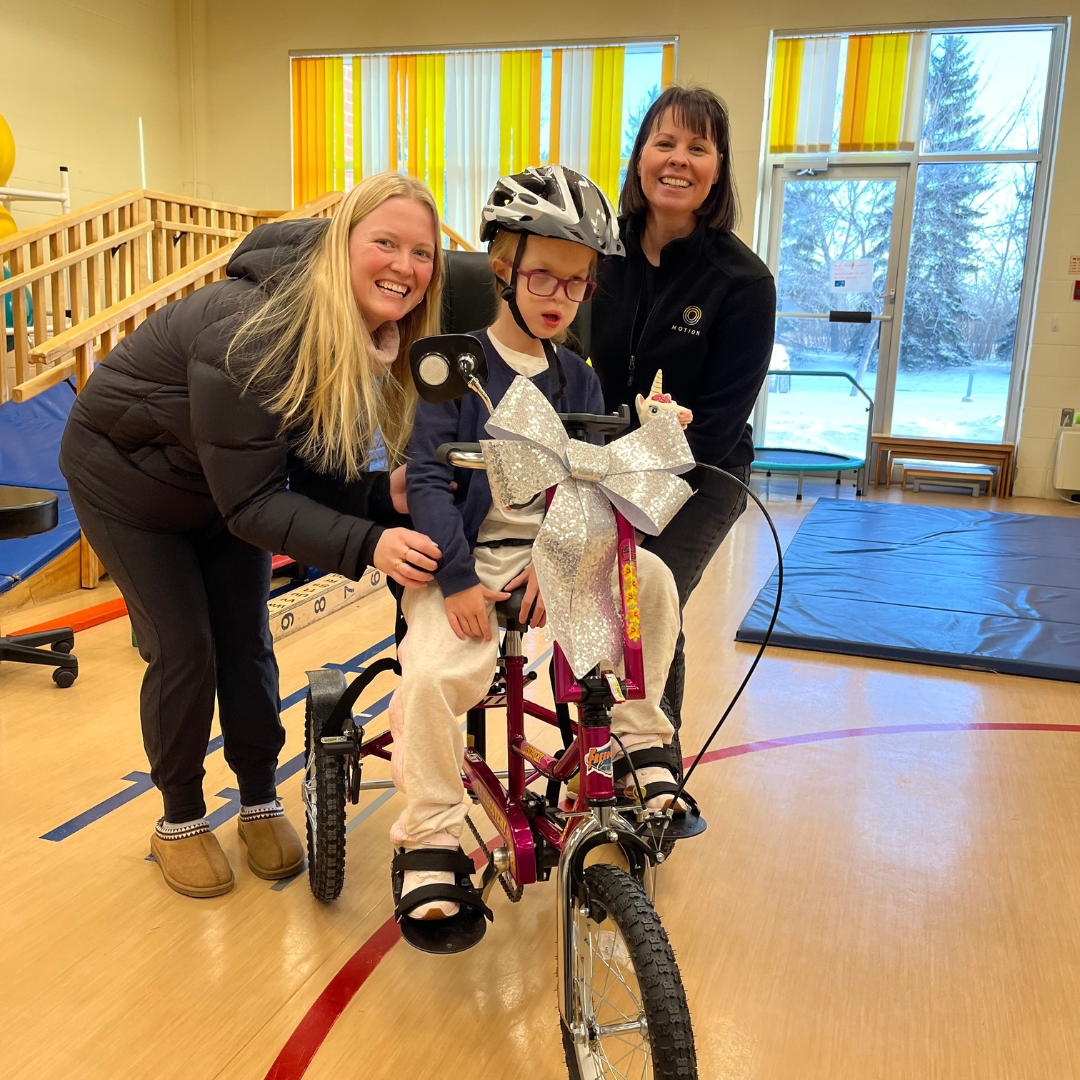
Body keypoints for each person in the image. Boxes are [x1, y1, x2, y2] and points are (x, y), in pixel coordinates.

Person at [59, 174, 445, 898]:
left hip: (218, 489)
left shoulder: (363, 336)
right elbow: (257, 503)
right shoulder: (251, 326)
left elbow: (318, 481)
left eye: (421, 252)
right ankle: (178, 815)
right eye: (385, 243)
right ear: (341, 246)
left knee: (247, 637)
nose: (404, 265)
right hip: (127, 483)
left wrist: (382, 500)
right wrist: (371, 546)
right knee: (187, 647)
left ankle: (260, 795)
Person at [385, 165, 693, 954]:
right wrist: (454, 581)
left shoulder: (578, 376)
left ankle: (635, 737)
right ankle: (432, 833)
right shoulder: (453, 365)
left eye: (578, 283)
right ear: (502, 269)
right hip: (467, 563)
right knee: (426, 676)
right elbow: (424, 476)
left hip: (558, 556)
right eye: (545, 276)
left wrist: (651, 438)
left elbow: (589, 487)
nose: (560, 295)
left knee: (651, 581)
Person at [589, 85, 777, 726]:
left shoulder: (744, 282)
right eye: (664, 142)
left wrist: (632, 477)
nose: (678, 159)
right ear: (640, 157)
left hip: (704, 474)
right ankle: (599, 760)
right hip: (605, 466)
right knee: (596, 605)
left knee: (649, 596)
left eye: (698, 148)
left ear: (717, 169)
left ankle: (653, 781)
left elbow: (719, 426)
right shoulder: (600, 255)